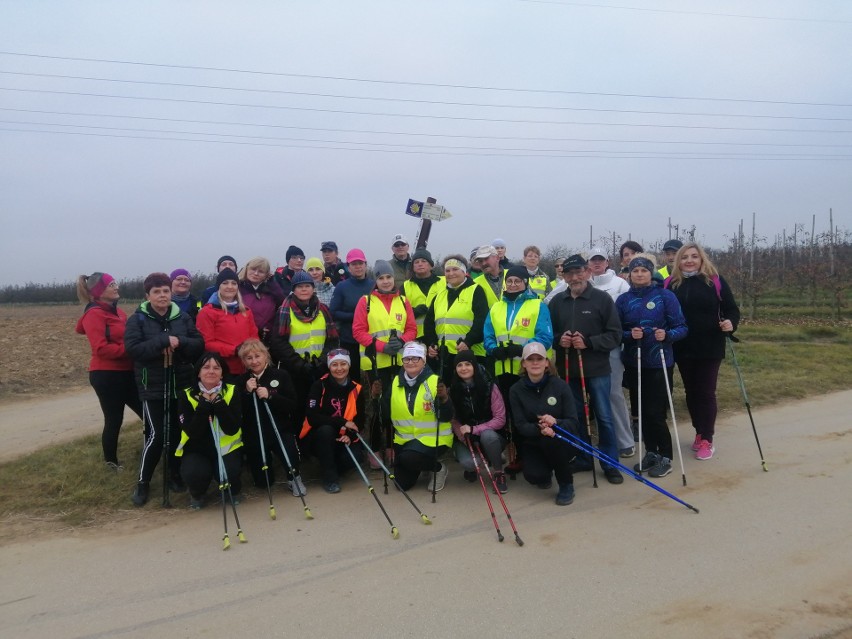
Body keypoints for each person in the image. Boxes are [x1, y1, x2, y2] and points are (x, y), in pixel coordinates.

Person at [124, 272, 204, 506]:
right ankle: (143, 483)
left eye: (165, 291)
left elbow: (198, 344)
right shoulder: (137, 319)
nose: (162, 295)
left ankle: (174, 475)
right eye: (156, 292)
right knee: (156, 435)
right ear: (148, 295)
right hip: (152, 386)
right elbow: (133, 350)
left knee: (177, 433)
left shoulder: (182, 317)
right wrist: (162, 341)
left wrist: (180, 342)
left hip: (180, 382)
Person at [548, 255, 623, 484]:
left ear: (588, 272)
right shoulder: (557, 302)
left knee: (604, 417)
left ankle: (610, 463)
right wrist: (560, 340)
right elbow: (549, 334)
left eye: (579, 272)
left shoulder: (602, 299)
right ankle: (582, 457)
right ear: (564, 276)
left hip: (597, 369)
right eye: (569, 273)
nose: (574, 277)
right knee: (576, 416)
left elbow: (615, 335)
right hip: (569, 369)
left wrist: (589, 342)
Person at [665, 242, 740, 460]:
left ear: (701, 259)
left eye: (694, 256)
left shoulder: (714, 280)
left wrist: (730, 323)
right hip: (682, 345)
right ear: (678, 261)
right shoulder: (671, 284)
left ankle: (707, 438)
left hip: (710, 344)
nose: (689, 260)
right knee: (691, 392)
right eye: (684, 257)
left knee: (706, 392)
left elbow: (731, 309)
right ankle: (699, 431)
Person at [616, 256, 688, 478]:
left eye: (643, 270)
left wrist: (666, 335)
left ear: (651, 273)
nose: (639, 274)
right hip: (634, 361)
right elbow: (616, 331)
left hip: (659, 362)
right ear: (629, 274)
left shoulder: (665, 296)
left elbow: (682, 327)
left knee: (655, 412)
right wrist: (630, 335)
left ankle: (665, 456)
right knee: (641, 412)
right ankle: (651, 452)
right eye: (635, 270)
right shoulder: (623, 300)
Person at [484, 264, 554, 475]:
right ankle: (516, 456)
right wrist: (493, 349)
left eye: (518, 281)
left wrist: (522, 349)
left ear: (526, 283)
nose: (513, 285)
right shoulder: (497, 307)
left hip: (528, 371)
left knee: (529, 414)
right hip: (503, 370)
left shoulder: (537, 305)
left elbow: (545, 337)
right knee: (509, 416)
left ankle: (533, 455)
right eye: (510, 281)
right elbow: (488, 333)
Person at [75, 272, 143, 470]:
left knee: (147, 414)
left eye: (115, 284)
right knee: (114, 419)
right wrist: (132, 350)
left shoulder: (118, 312)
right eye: (111, 285)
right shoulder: (94, 314)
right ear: (99, 291)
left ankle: (150, 451)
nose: (116, 287)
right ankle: (111, 462)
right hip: (107, 375)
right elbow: (101, 348)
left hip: (127, 372)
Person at [509, 342, 581, 506]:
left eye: (539, 359)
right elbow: (520, 425)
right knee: (536, 477)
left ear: (547, 362)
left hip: (561, 439)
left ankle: (566, 483)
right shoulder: (516, 390)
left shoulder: (561, 386)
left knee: (551, 442)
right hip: (534, 440)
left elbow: (573, 422)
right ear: (524, 364)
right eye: (530, 359)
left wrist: (556, 423)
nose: (535, 363)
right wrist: (539, 429)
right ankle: (546, 471)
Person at [269, 270, 340, 425]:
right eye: (299, 286)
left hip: (320, 368)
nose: (304, 290)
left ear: (313, 288)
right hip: (294, 371)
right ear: (293, 289)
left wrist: (322, 361)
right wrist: (298, 363)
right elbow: (278, 342)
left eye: (307, 286)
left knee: (320, 409)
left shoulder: (323, 310)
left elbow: (332, 340)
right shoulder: (285, 310)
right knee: (298, 410)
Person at [381, 341, 453, 492]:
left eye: (416, 358)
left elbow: (447, 416)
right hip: (405, 440)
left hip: (432, 439)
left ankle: (438, 468)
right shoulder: (395, 382)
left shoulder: (435, 381)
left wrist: (445, 399)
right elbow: (385, 414)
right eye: (407, 359)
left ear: (423, 361)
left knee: (408, 458)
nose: (410, 362)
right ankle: (421, 464)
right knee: (401, 485)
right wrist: (376, 399)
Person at [175, 352, 242, 509]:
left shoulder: (232, 391)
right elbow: (192, 432)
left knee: (229, 475)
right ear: (198, 372)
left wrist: (219, 403)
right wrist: (204, 405)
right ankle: (197, 493)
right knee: (194, 473)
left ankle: (231, 489)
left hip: (226, 447)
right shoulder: (186, 395)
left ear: (222, 373)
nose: (211, 371)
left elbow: (232, 428)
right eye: (206, 367)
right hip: (197, 448)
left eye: (216, 368)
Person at [238, 338, 304, 495]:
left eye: (257, 356)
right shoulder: (240, 381)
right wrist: (247, 393)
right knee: (263, 482)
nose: (254, 361)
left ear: (265, 355)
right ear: (244, 361)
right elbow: (239, 411)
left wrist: (271, 396)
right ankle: (262, 476)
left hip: (280, 429)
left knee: (290, 454)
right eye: (249, 358)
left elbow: (292, 405)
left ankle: (294, 478)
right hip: (256, 433)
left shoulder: (281, 375)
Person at [587, 247, 635, 458]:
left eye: (600, 260)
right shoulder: (583, 283)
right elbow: (551, 300)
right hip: (589, 347)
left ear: (607, 262)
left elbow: (627, 313)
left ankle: (624, 440)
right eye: (593, 260)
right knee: (595, 394)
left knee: (614, 393)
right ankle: (606, 440)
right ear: (588, 264)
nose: (597, 263)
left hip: (613, 346)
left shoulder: (620, 284)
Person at [303, 348, 367, 493]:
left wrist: (349, 436)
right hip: (320, 436)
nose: (339, 369)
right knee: (326, 431)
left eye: (343, 364)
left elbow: (360, 419)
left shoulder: (357, 388)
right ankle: (330, 478)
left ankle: (329, 466)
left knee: (356, 458)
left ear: (349, 366)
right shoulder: (319, 385)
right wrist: (342, 422)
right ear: (329, 366)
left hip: (344, 435)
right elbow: (312, 417)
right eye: (334, 365)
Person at [424, 254, 489, 384]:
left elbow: (481, 320)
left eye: (455, 269)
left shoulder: (476, 290)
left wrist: (468, 341)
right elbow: (429, 323)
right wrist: (431, 344)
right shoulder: (440, 295)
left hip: (470, 354)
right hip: (445, 356)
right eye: (447, 271)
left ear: (464, 272)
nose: (451, 273)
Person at [449, 350, 508, 493]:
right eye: (460, 365)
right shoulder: (453, 390)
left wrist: (475, 429)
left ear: (474, 366)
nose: (464, 368)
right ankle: (479, 463)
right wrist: (462, 435)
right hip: (467, 437)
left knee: (488, 436)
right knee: (469, 463)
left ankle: (498, 472)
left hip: (490, 435)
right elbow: (453, 419)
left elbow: (500, 419)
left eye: (468, 364)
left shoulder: (490, 386)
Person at [352, 260, 416, 390]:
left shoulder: (403, 301)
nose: (385, 281)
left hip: (400, 360)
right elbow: (358, 331)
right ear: (376, 281)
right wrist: (382, 346)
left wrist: (401, 341)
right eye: (381, 278)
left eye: (389, 277)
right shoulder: (366, 301)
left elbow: (412, 329)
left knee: (400, 399)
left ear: (393, 278)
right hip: (375, 362)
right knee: (381, 402)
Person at [196, 268, 259, 378]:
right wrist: (234, 350)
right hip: (222, 369)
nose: (230, 286)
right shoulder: (207, 312)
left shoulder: (246, 311)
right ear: (218, 286)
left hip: (246, 367)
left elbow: (254, 337)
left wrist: (252, 352)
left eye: (234, 283)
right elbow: (206, 343)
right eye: (225, 283)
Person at [329, 248, 374, 382]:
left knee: (373, 377)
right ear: (348, 267)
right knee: (353, 377)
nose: (358, 267)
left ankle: (374, 402)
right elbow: (334, 312)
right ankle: (355, 402)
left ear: (365, 264)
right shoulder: (342, 287)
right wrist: (356, 316)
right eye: (354, 264)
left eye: (360, 263)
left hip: (371, 338)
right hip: (350, 339)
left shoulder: (373, 285)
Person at [237, 257, 285, 344]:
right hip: (244, 339)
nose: (256, 273)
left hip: (268, 339)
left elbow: (283, 303)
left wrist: (273, 283)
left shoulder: (271, 290)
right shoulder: (237, 288)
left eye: (261, 271)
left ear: (266, 274)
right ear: (247, 269)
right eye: (253, 269)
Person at [401, 248, 444, 340]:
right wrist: (414, 311)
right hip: (416, 337)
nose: (420, 264)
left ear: (431, 266)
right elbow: (399, 311)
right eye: (416, 262)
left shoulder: (444, 282)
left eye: (424, 261)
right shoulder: (405, 286)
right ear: (412, 267)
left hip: (440, 334)